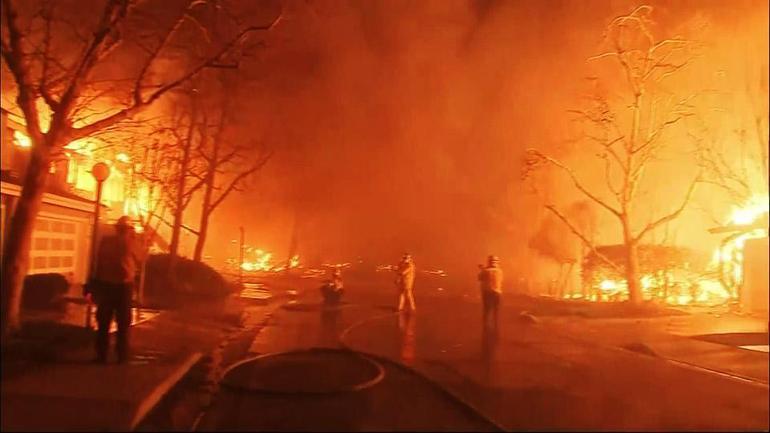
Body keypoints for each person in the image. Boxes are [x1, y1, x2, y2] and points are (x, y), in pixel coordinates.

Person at [86, 216, 141, 364]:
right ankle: (122, 356)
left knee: (103, 322)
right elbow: (141, 258)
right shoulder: (131, 242)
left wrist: (93, 284)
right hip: (123, 287)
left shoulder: (105, 241)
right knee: (123, 323)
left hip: (106, 285)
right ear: (128, 229)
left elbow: (98, 263)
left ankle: (101, 355)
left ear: (117, 228)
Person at [478, 255, 503, 330]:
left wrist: (482, 269)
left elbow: (480, 278)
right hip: (497, 292)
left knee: (487, 309)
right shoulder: (500, 271)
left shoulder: (486, 271)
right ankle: (495, 325)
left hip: (487, 292)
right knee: (496, 310)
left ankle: (486, 325)